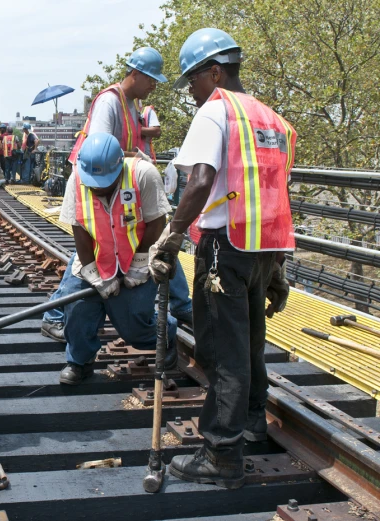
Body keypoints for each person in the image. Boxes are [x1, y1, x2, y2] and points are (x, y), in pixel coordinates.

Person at [148, 28, 296, 489]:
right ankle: (252, 419)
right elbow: (274, 191)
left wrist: (171, 237)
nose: (190, 92)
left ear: (214, 72)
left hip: (224, 249)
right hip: (262, 249)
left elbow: (200, 180)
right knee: (249, 340)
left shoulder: (217, 112)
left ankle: (222, 453)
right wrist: (278, 267)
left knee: (222, 350)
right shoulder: (272, 120)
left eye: (192, 80)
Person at [40, 47, 193, 342]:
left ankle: (183, 305)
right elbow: (98, 147)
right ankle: (55, 315)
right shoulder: (110, 102)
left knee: (150, 238)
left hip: (115, 181)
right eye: (151, 79)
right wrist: (136, 158)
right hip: (94, 182)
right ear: (134, 74)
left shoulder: (131, 105)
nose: (153, 86)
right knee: (90, 249)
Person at [56, 132, 178, 385]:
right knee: (76, 309)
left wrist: (140, 262)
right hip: (97, 258)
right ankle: (79, 362)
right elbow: (78, 228)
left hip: (136, 256)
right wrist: (92, 274)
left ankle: (167, 335)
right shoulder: (77, 178)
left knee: (133, 323)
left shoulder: (143, 174)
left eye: (104, 181)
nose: (98, 187)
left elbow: (157, 220)